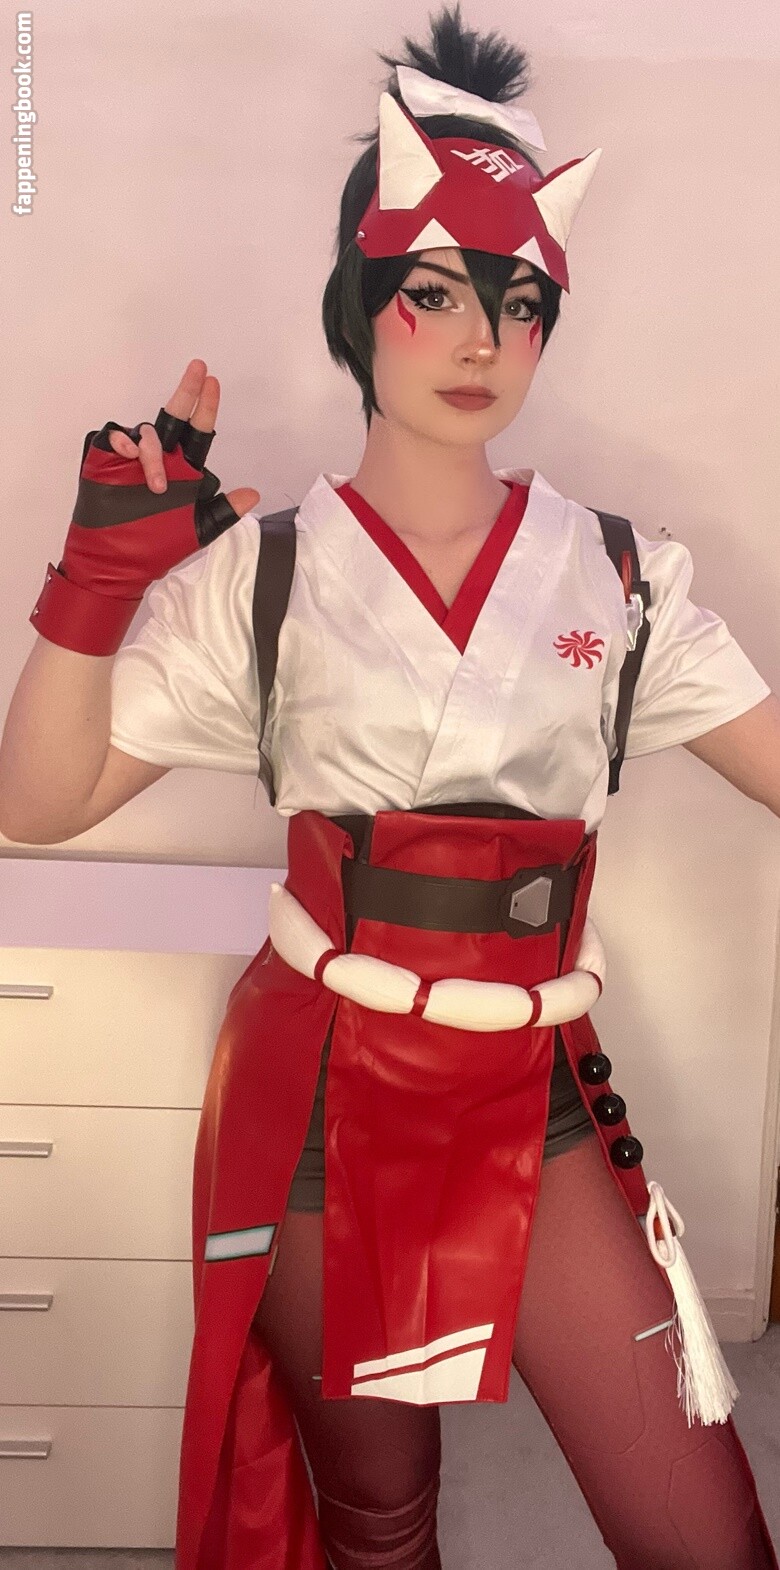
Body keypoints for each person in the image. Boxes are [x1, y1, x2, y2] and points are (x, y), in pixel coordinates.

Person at [9, 5, 779, 1566]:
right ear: (358, 308)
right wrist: (94, 585)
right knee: (376, 1518)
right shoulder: (263, 578)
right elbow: (39, 803)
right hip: (321, 1095)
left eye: (520, 301)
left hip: (537, 1090)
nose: (481, 339)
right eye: (434, 291)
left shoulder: (623, 576)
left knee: (707, 1537)